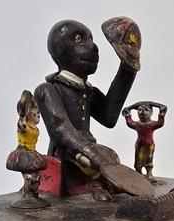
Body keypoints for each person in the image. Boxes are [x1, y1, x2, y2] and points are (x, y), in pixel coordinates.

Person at [34, 19, 140, 200]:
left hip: (88, 149)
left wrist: (128, 68)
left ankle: (104, 182)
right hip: (66, 153)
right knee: (93, 161)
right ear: (57, 53)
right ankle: (96, 184)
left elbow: (108, 117)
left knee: (110, 157)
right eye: (78, 39)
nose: (93, 46)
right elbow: (60, 129)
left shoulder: (87, 91)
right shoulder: (47, 91)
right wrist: (89, 150)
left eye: (91, 39)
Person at [122, 103, 167, 181]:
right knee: (138, 160)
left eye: (146, 110)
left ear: (151, 113)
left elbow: (160, 123)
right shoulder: (137, 124)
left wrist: (162, 113)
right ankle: (139, 174)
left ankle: (149, 174)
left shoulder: (152, 124)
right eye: (139, 110)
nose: (142, 112)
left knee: (149, 160)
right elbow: (130, 123)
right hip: (139, 146)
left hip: (149, 146)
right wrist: (127, 114)